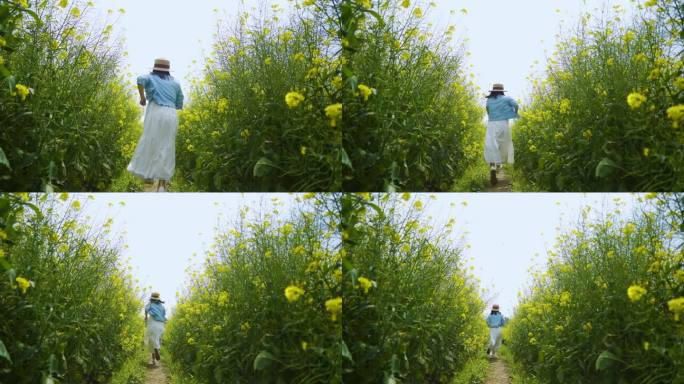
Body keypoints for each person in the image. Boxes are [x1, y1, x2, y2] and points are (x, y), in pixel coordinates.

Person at [127, 58, 184, 192]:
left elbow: (140, 79)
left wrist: (142, 98)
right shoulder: (176, 82)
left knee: (151, 142)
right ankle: (162, 184)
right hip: (170, 114)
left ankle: (149, 175)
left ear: (154, 69)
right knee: (167, 146)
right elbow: (180, 101)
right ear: (168, 70)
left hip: (156, 111)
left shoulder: (150, 77)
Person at [484, 83, 519, 186]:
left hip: (492, 125)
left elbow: (488, 111)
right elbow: (516, 105)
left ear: (493, 91)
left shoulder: (489, 100)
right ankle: (499, 165)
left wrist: (493, 117)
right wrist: (514, 113)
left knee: (491, 147)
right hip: (504, 124)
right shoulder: (507, 98)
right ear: (502, 91)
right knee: (503, 146)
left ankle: (493, 168)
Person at [145, 292, 167, 366]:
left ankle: (154, 360)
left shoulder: (150, 303)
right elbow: (164, 316)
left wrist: (145, 316)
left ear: (151, 298)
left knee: (151, 341)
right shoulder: (162, 306)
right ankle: (156, 352)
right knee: (157, 340)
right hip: (161, 325)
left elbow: (146, 309)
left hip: (152, 322)